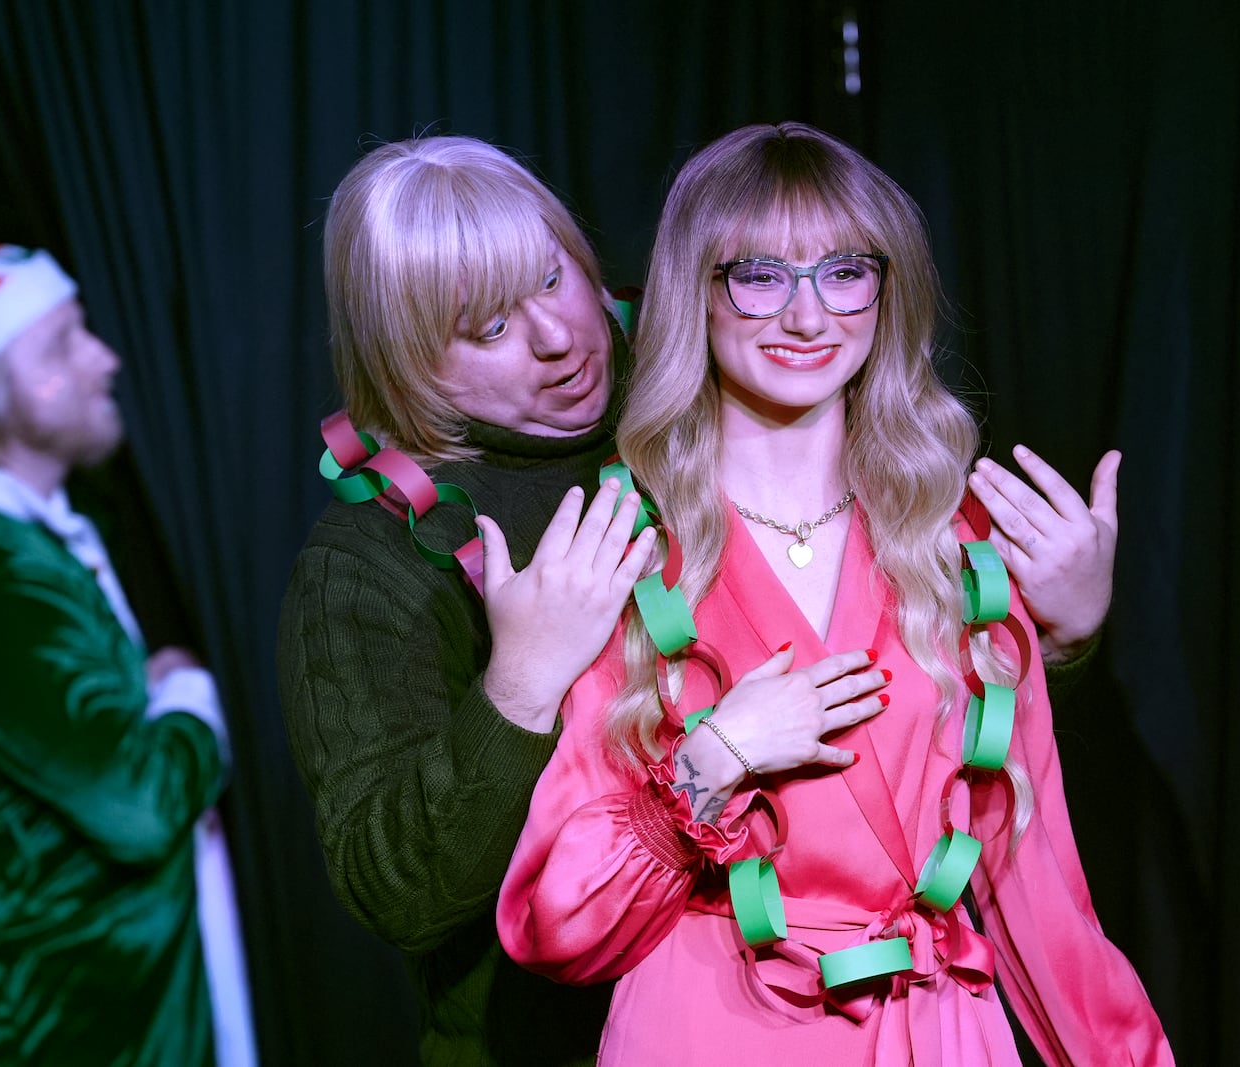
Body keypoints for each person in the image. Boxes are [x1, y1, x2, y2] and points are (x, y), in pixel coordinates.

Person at [280, 134, 1122, 1066]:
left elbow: (916, 744)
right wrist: (518, 686)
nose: (558, 338)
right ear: (405, 364)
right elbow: (395, 891)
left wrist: (1061, 632)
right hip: (550, 1036)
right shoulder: (374, 562)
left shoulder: (720, 379)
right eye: (487, 328)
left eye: (554, 279)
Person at [496, 123, 1171, 1065]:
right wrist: (717, 754)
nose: (807, 317)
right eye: (760, 274)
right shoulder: (626, 551)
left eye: (844, 272)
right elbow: (555, 926)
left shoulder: (960, 543)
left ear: (887, 294)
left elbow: (1039, 887)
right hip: (708, 1034)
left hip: (935, 1035)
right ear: (698, 289)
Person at [0, 244, 254, 1066]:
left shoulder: (13, 534)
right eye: (63, 342)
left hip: (80, 1008)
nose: (105, 358)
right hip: (26, 1021)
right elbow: (138, 805)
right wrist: (188, 697)